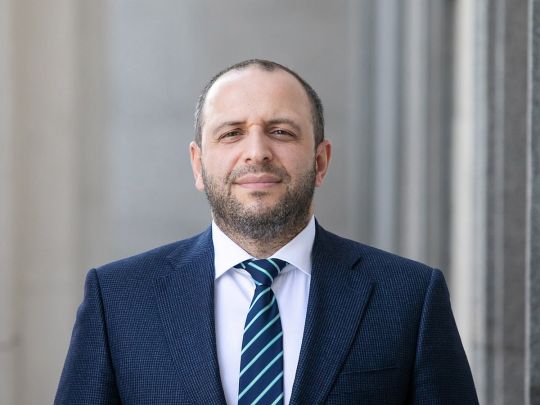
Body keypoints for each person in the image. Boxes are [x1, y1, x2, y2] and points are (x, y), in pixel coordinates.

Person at [55, 59, 478, 404]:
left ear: (321, 162)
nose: (257, 152)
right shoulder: (118, 300)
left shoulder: (409, 297)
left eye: (281, 132)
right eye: (232, 133)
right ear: (198, 164)